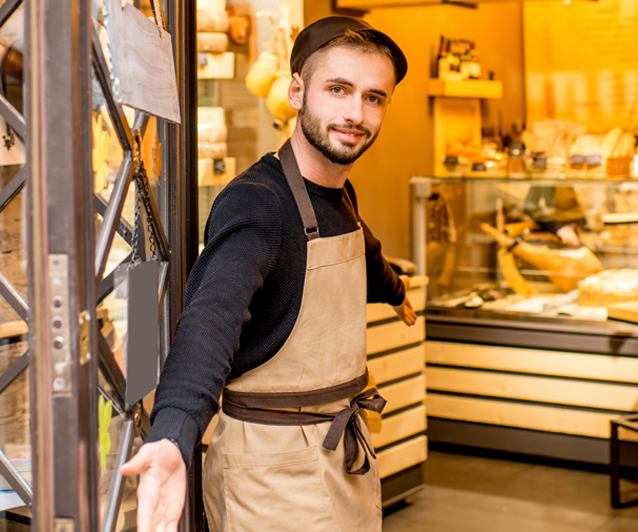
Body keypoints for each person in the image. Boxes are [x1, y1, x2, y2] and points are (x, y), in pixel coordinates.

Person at [121, 16, 413, 532]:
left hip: (337, 455)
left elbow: (364, 245)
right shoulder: (259, 204)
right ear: (297, 92)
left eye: (374, 97)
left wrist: (394, 289)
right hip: (271, 474)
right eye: (338, 89)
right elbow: (211, 319)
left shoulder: (339, 193)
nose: (355, 113)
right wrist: (173, 436)